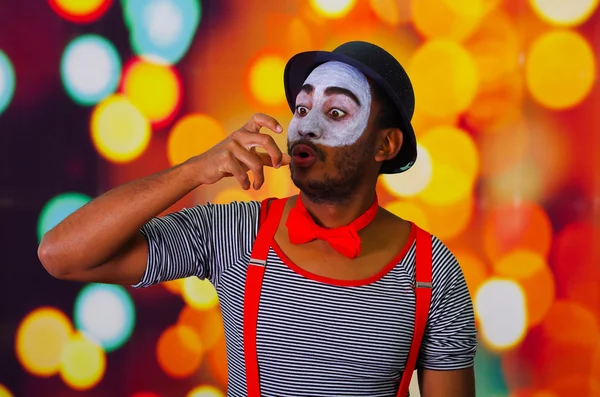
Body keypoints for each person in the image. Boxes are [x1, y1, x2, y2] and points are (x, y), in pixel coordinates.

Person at [38, 41, 477, 397]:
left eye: (336, 112)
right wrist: (195, 169)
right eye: (302, 110)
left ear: (385, 145)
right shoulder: (236, 232)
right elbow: (61, 254)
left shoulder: (432, 272)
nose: (306, 128)